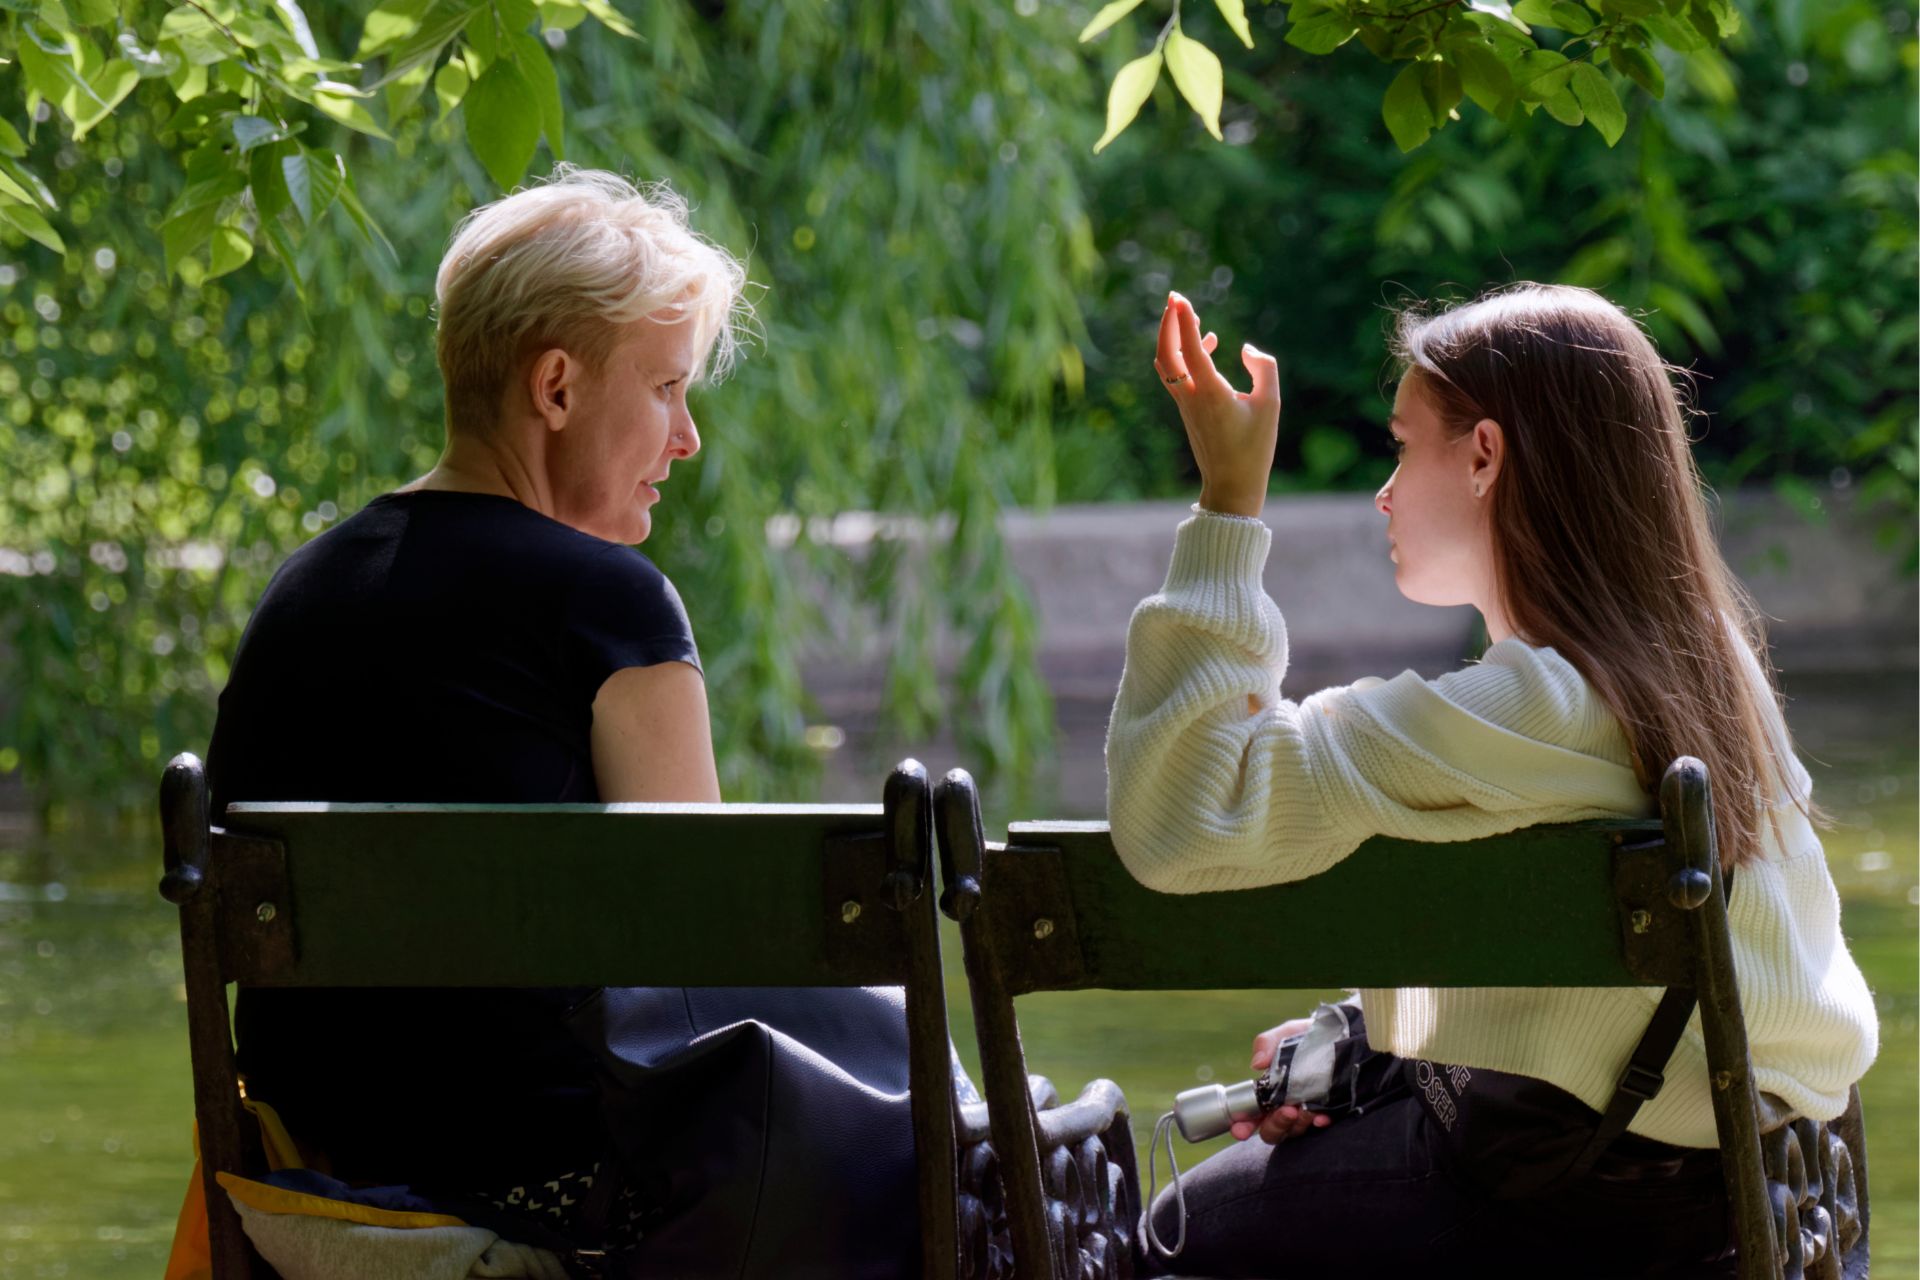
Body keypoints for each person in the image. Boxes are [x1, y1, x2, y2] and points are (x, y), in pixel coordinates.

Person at [1104, 284, 1879, 1277]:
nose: (1384, 488)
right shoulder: (1709, 673)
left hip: (1576, 1204)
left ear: (1483, 455)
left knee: (1165, 1236)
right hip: (1786, 1189)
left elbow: (1178, 822)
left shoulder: (1519, 709)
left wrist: (1227, 505)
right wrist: (1370, 1040)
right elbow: (1601, 1004)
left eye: (1400, 443)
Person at [205, 166, 745, 1226]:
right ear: (556, 388)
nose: (686, 439)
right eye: (666, 388)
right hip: (563, 1190)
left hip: (311, 1180)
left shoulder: (298, 595)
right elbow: (709, 967)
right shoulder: (615, 609)